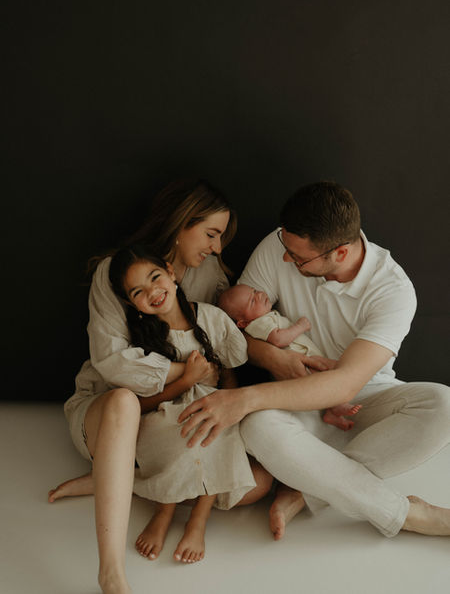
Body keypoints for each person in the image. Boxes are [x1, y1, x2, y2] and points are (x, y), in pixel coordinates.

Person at [178, 181, 450, 541]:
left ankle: (307, 488)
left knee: (443, 404)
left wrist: (243, 398)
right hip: (294, 401)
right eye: (286, 249)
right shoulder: (280, 244)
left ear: (340, 253)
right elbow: (234, 329)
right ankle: (404, 512)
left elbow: (346, 385)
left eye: (299, 258)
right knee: (257, 426)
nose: (286, 259)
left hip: (364, 402)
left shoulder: (393, 291)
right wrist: (273, 357)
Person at [49, 179, 242, 594]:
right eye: (211, 234)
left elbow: (222, 335)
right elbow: (112, 363)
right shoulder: (115, 271)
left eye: (221, 238)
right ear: (181, 224)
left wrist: (275, 354)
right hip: (112, 417)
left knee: (248, 481)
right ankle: (111, 572)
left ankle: (118, 480)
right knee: (123, 401)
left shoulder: (208, 274)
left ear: (170, 276)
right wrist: (188, 372)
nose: (217, 247)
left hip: (173, 422)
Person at [106, 246, 272, 564]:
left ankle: (198, 519)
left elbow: (230, 374)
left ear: (171, 272)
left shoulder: (210, 318)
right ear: (130, 303)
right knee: (180, 431)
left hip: (212, 404)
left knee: (214, 432)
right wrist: (185, 381)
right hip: (165, 415)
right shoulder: (140, 340)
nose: (153, 292)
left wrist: (227, 408)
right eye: (138, 292)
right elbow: (140, 403)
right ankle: (164, 511)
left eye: (155, 277)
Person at [218, 283, 362, 430]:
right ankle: (336, 405)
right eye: (253, 301)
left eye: (255, 291)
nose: (260, 295)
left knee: (333, 372)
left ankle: (331, 410)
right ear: (243, 323)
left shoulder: (264, 317)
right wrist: (300, 326)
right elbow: (279, 339)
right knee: (331, 372)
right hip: (301, 359)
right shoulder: (257, 323)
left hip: (305, 356)